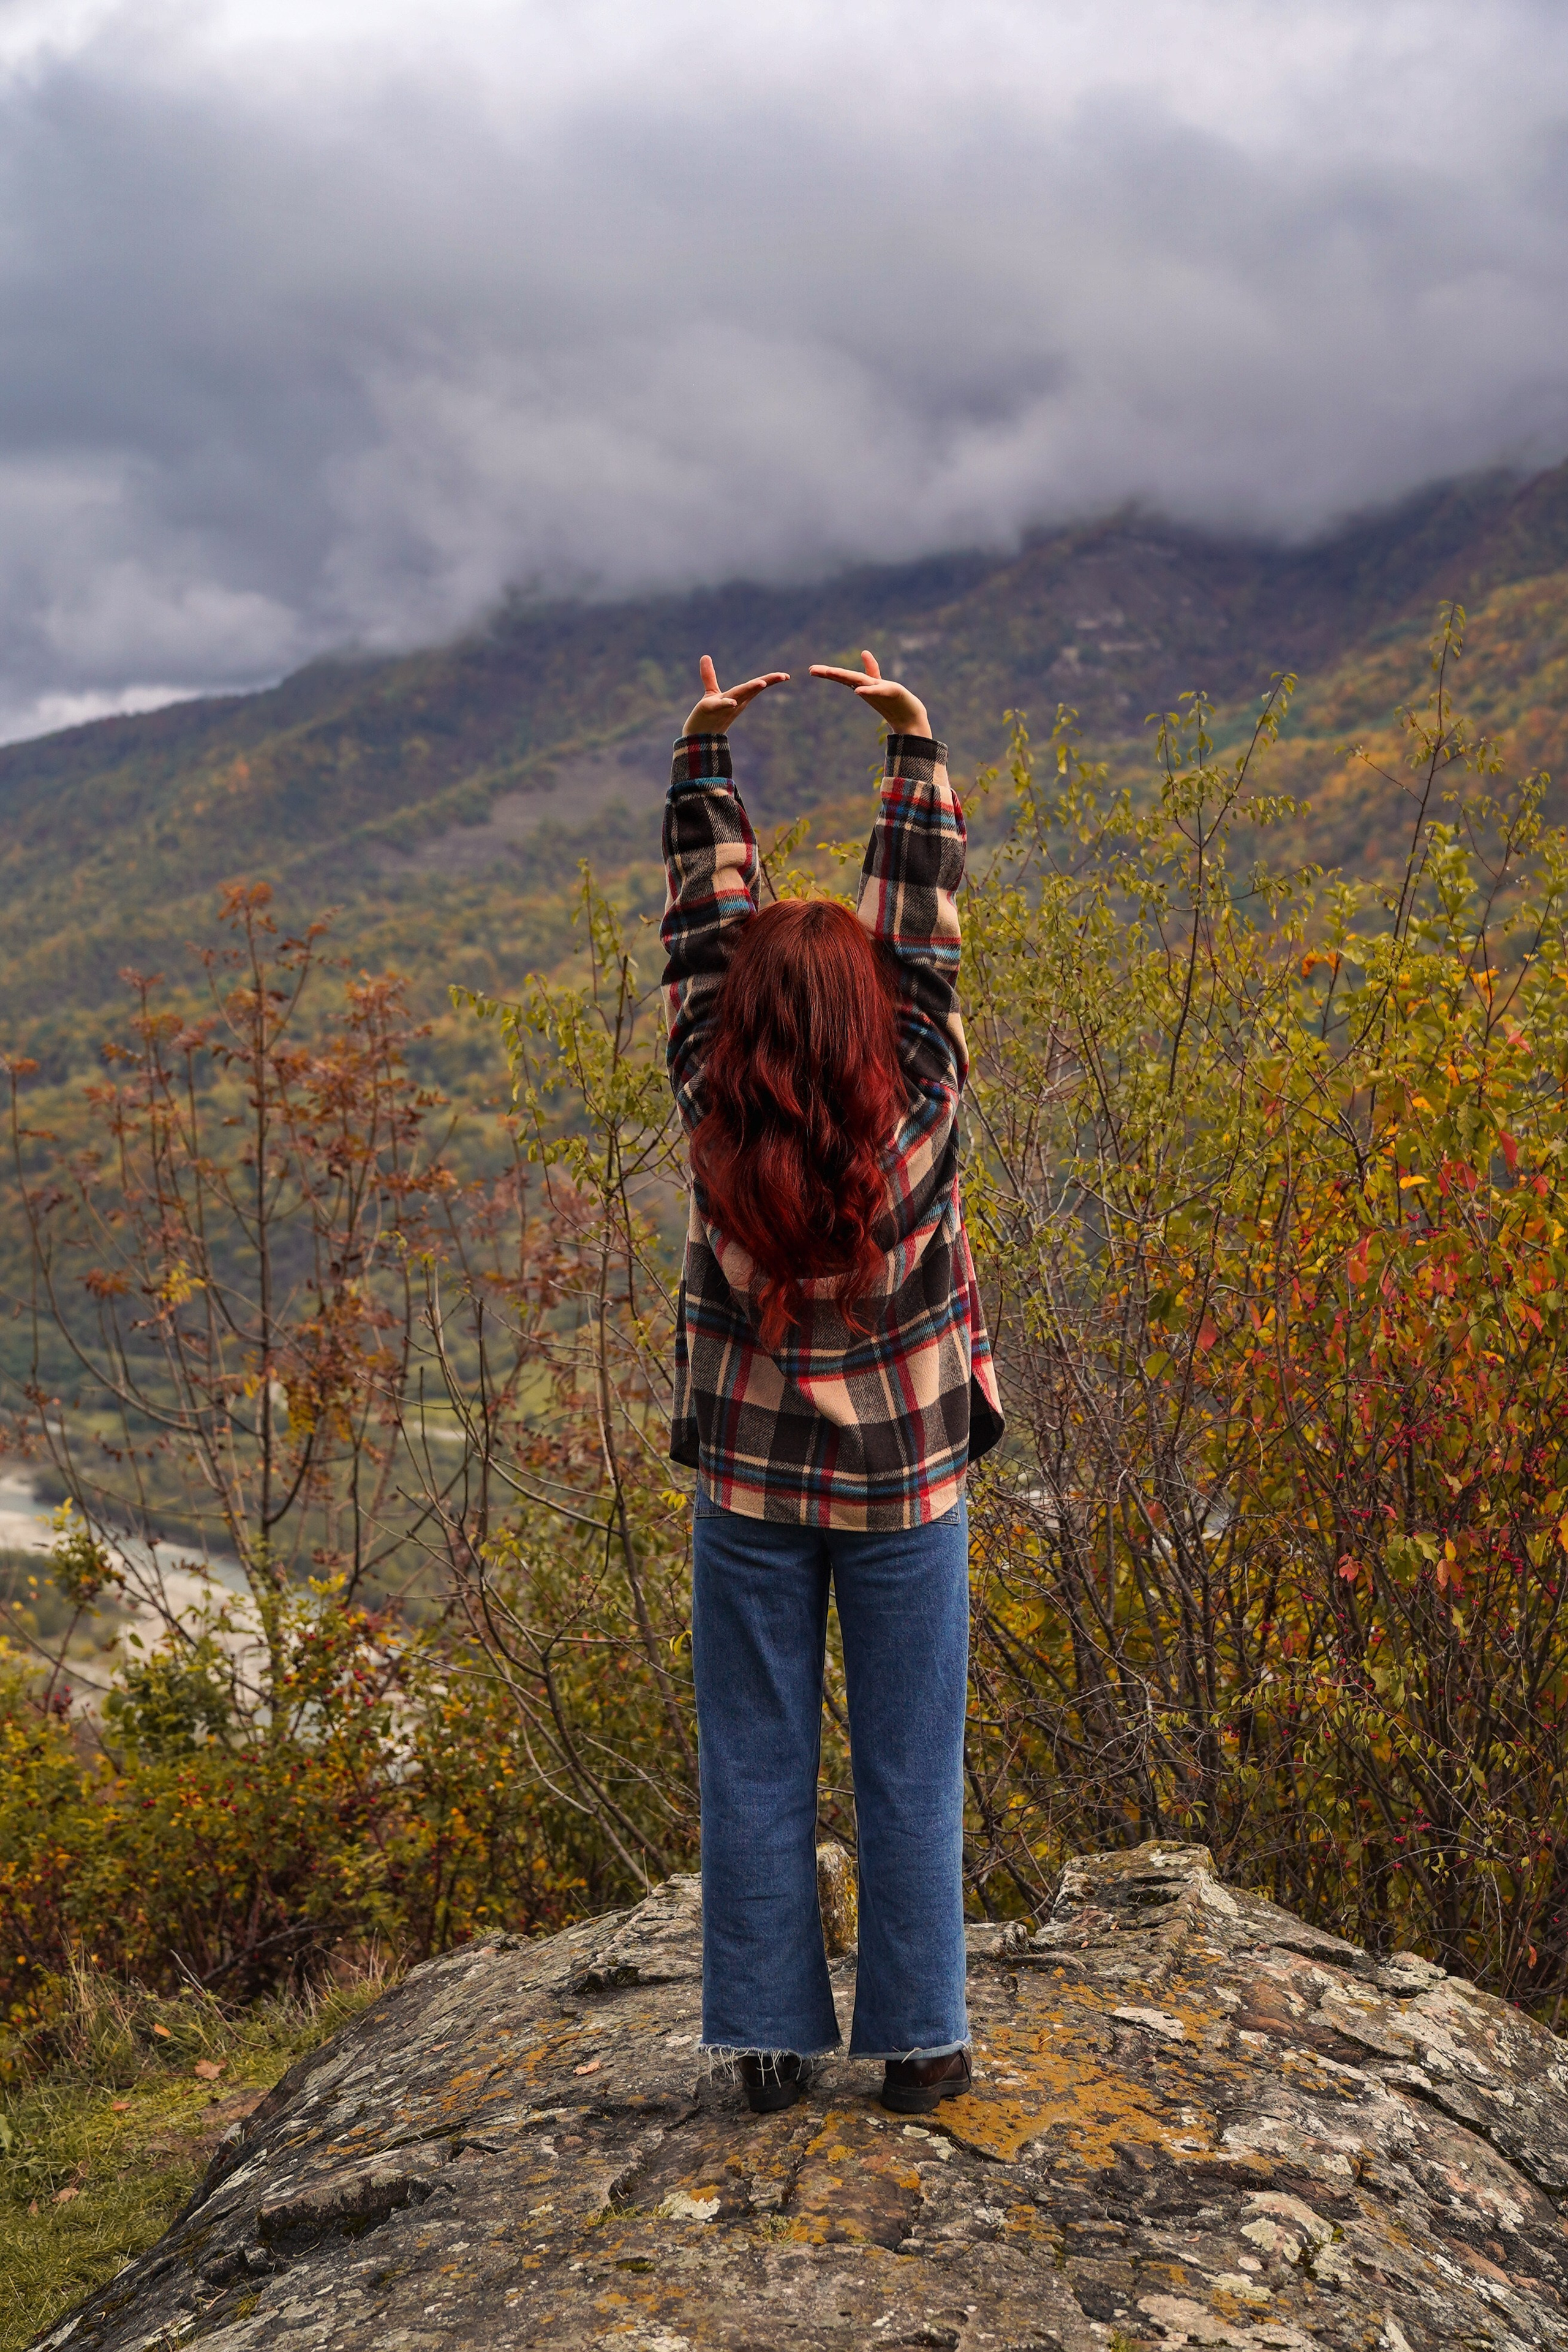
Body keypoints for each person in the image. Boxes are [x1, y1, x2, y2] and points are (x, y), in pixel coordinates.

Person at [660, 648, 1003, 2117]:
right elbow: (918, 942)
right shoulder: (918, 1094)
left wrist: (704, 768)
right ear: (878, 1016)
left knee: (753, 1756)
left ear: (735, 1022)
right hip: (908, 1479)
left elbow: (699, 938)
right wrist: (910, 750)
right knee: (912, 1762)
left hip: (749, 1480)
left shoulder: (706, 1098)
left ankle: (765, 2043)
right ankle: (920, 2041)